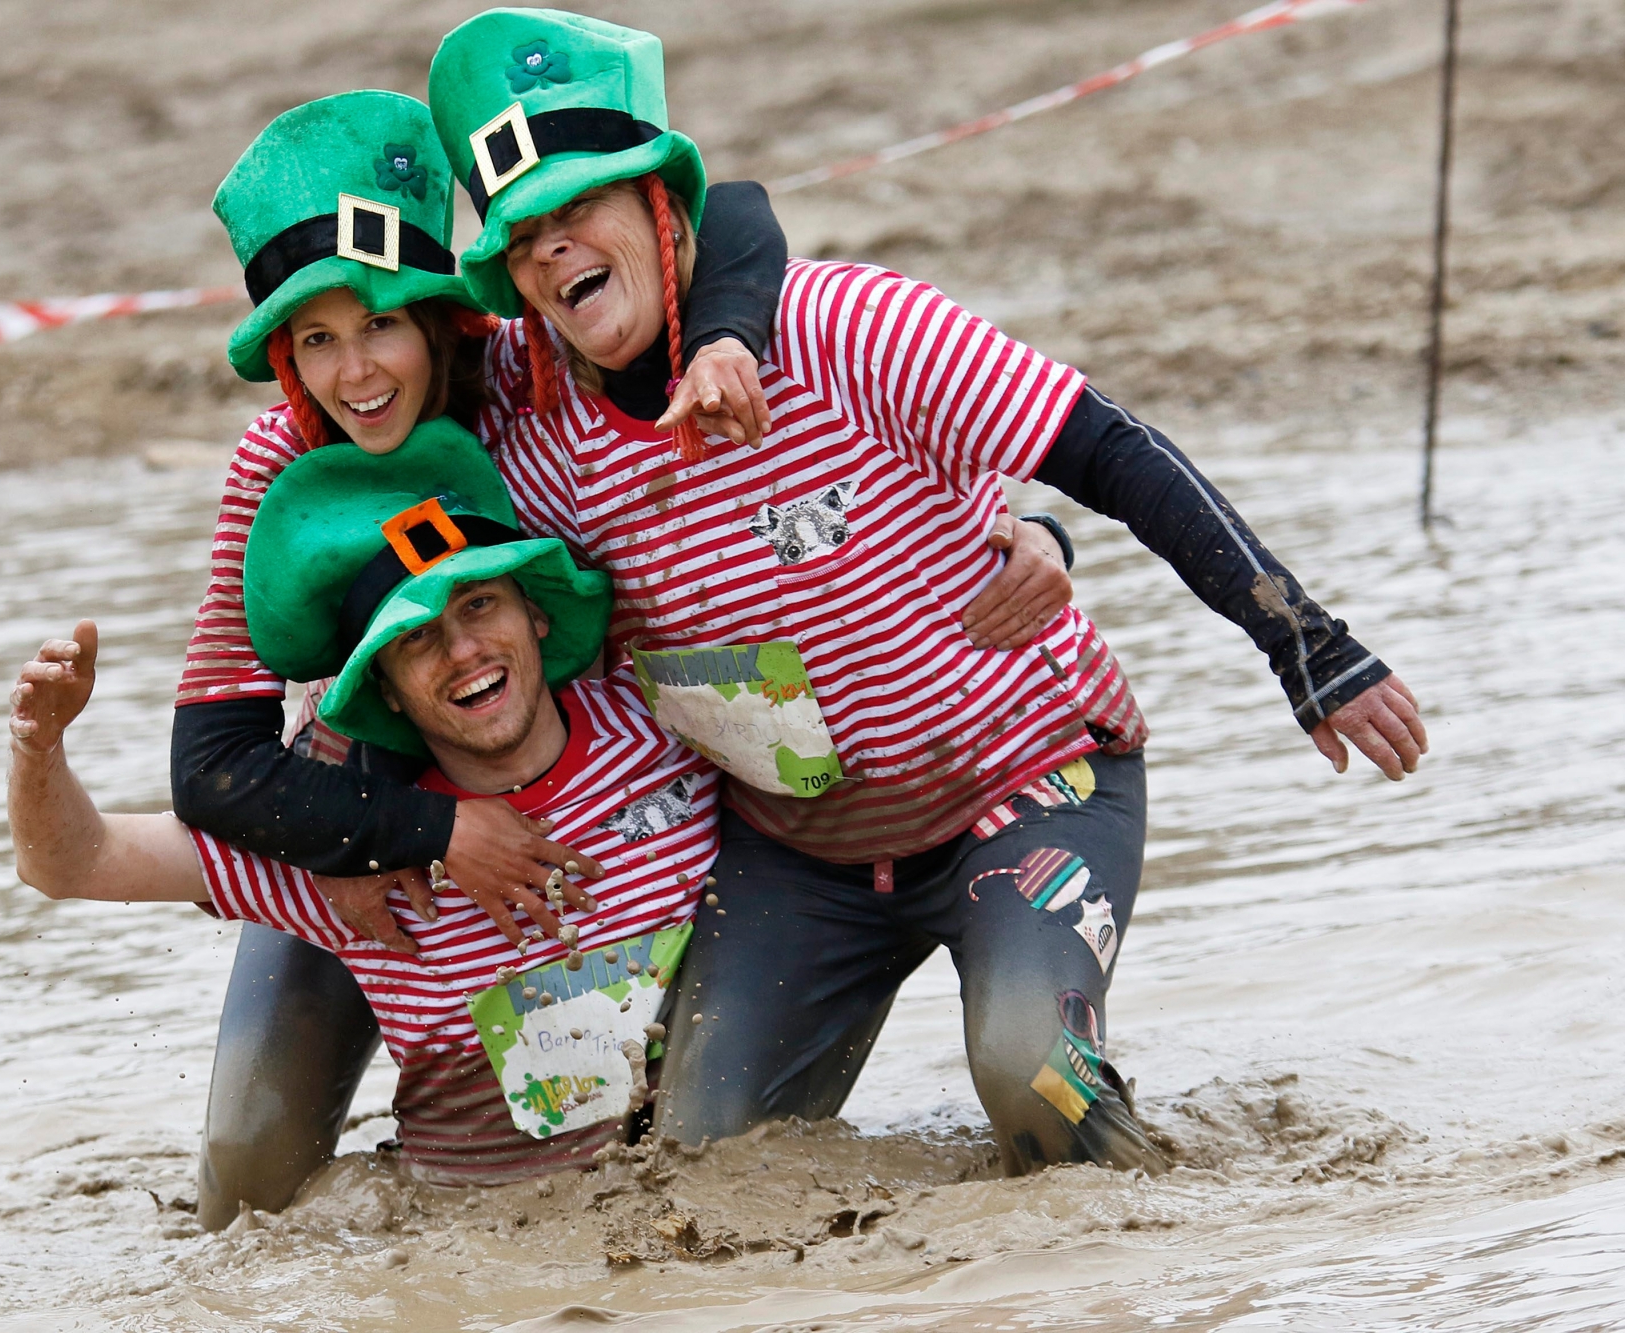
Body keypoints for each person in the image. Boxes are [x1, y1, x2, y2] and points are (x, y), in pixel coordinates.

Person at [409, 8, 1426, 1175]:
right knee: (693, 1171)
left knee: (1029, 1080)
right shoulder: (531, 437)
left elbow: (1111, 450)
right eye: (523, 235)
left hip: (1027, 788)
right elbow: (373, 436)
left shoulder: (848, 325)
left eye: (578, 206)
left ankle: (1153, 1190)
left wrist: (1307, 645)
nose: (551, 249)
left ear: (659, 205)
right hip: (795, 855)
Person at [173, 81, 1083, 1219]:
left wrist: (1027, 521)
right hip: (360, 845)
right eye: (316, 342)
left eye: (384, 324)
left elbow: (737, 223)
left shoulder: (533, 379)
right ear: (285, 358)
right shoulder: (273, 467)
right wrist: (388, 828)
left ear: (445, 314)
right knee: (244, 1171)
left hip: (589, 816)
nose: (358, 375)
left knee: (647, 1175)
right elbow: (206, 767)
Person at [9, 428, 720, 1183]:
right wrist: (37, 750)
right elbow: (68, 863)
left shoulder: (672, 730)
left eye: (479, 604)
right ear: (383, 689)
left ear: (538, 614)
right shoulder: (358, 857)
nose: (463, 650)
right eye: (416, 640)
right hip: (466, 1229)